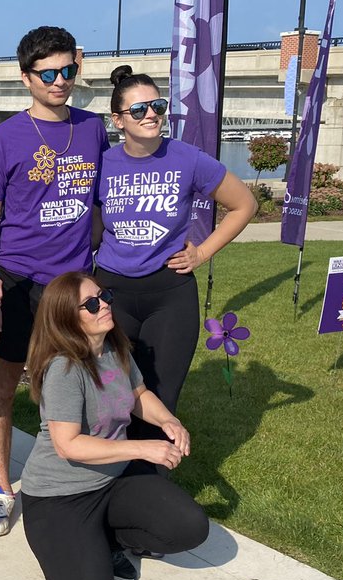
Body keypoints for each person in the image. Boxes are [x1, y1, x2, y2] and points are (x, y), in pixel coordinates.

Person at [0, 25, 108, 537]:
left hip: (72, 286)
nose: (60, 81)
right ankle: (2, 490)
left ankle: (75, 481)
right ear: (26, 78)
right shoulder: (4, 137)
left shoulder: (94, 128)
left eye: (68, 70)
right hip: (17, 281)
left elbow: (97, 207)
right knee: (5, 385)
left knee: (75, 387)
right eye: (48, 73)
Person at [19, 271, 210, 580]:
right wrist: (142, 449)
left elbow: (138, 395)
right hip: (59, 497)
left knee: (190, 527)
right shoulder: (64, 367)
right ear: (66, 318)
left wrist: (169, 421)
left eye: (104, 296)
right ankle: (69, 544)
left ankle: (105, 537)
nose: (105, 305)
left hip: (112, 483)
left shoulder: (111, 346)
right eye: (92, 304)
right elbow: (67, 445)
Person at [95, 65, 256, 416]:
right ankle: (115, 469)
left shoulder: (187, 158)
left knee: (162, 397)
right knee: (115, 396)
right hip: (112, 293)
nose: (151, 115)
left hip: (170, 294)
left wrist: (201, 253)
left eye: (158, 106)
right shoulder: (102, 164)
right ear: (118, 120)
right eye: (139, 110)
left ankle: (153, 469)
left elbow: (244, 205)